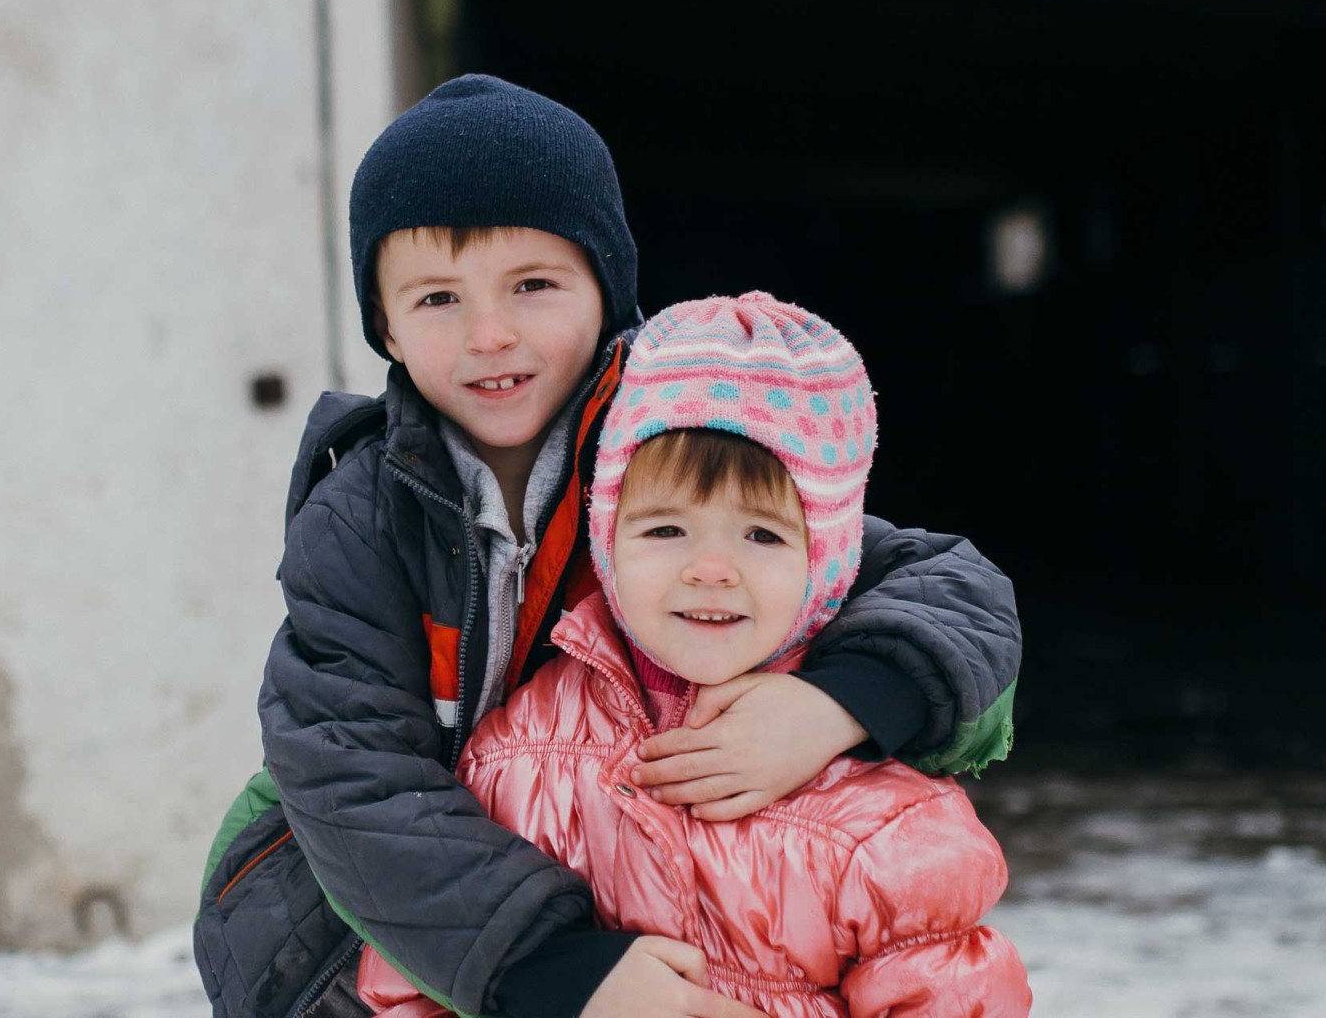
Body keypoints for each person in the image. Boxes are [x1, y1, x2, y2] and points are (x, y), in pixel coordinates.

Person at [193, 75, 1021, 1018]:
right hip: (371, 910)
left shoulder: (668, 440)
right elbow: (348, 771)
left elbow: (950, 586)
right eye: (436, 300)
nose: (490, 335)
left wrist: (833, 703)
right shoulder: (361, 518)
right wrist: (555, 970)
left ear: (608, 288)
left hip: (628, 851)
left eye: (534, 285)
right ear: (383, 324)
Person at [354, 292, 1032, 1018]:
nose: (711, 569)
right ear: (606, 541)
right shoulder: (512, 758)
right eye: (666, 530)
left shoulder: (884, 817)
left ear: (828, 559)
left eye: (761, 536)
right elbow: (412, 986)